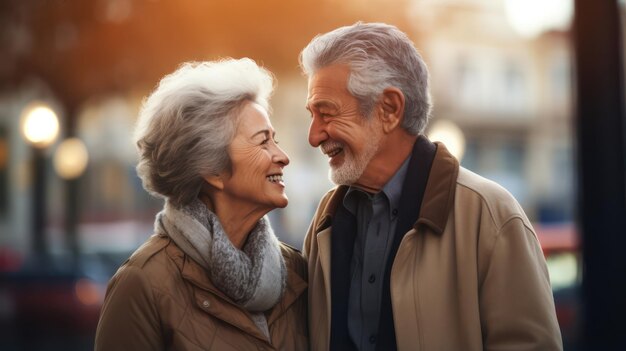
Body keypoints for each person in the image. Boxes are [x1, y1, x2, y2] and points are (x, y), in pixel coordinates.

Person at [300, 22, 562, 351]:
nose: (314, 136)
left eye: (326, 113)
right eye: (312, 115)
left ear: (389, 109)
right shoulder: (324, 221)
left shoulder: (492, 217)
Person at [95, 58, 308, 350]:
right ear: (213, 170)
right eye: (263, 142)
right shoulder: (141, 284)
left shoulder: (297, 270)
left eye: (275, 140)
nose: (282, 156)